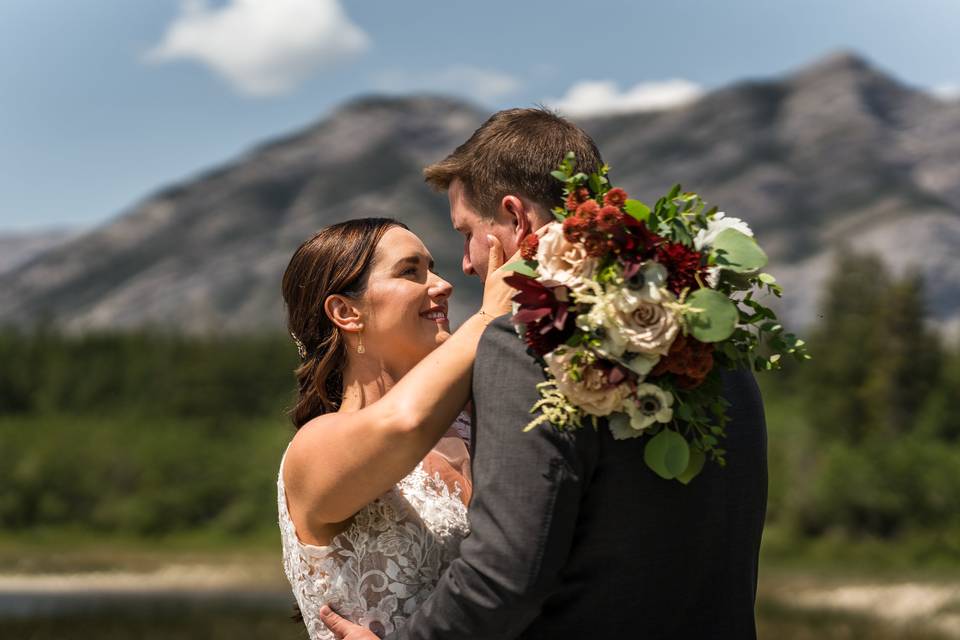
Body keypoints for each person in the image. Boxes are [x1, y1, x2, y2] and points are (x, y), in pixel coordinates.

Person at [320, 107, 769, 639]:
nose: (463, 265)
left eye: (467, 233)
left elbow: (506, 575)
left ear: (516, 218)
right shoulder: (708, 341)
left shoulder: (525, 345)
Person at [278, 217, 517, 639]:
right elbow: (405, 424)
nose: (443, 285)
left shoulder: (480, 419)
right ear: (346, 312)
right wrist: (488, 317)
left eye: (433, 267)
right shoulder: (315, 447)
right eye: (411, 272)